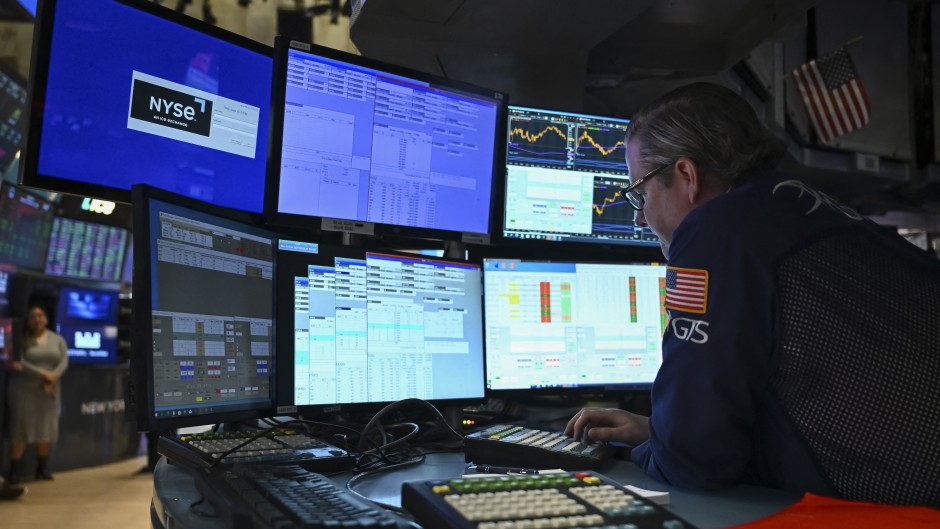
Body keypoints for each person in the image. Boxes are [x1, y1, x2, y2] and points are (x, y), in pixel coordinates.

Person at [565, 82, 940, 507]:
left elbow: (694, 462)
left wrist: (640, 451)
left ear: (687, 176)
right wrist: (659, 431)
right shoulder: (806, 207)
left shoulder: (715, 232)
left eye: (641, 193)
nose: (640, 217)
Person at [7, 305, 68, 483]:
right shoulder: (22, 339)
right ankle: (14, 471)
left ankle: (42, 469)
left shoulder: (58, 340)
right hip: (24, 389)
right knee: (21, 428)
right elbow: (18, 362)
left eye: (40, 315)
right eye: (33, 316)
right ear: (28, 321)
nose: (37, 319)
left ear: (46, 319)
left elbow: (64, 361)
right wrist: (43, 374)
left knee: (45, 427)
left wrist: (52, 378)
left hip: (49, 389)